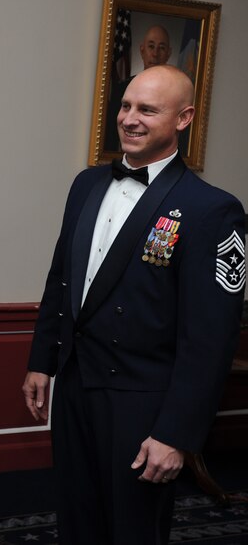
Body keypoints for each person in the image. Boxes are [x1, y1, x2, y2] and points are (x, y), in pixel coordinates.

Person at [23, 65, 245, 544]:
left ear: (183, 119)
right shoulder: (85, 185)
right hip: (77, 387)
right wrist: (41, 361)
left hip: (143, 405)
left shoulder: (212, 209)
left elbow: (210, 339)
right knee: (77, 523)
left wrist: (178, 435)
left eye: (147, 109)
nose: (130, 118)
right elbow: (61, 279)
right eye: (125, 106)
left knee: (133, 531)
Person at [105, 25, 172, 151]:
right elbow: (111, 136)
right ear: (142, 51)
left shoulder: (175, 92)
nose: (155, 53)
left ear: (169, 53)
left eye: (161, 48)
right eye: (151, 46)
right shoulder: (122, 88)